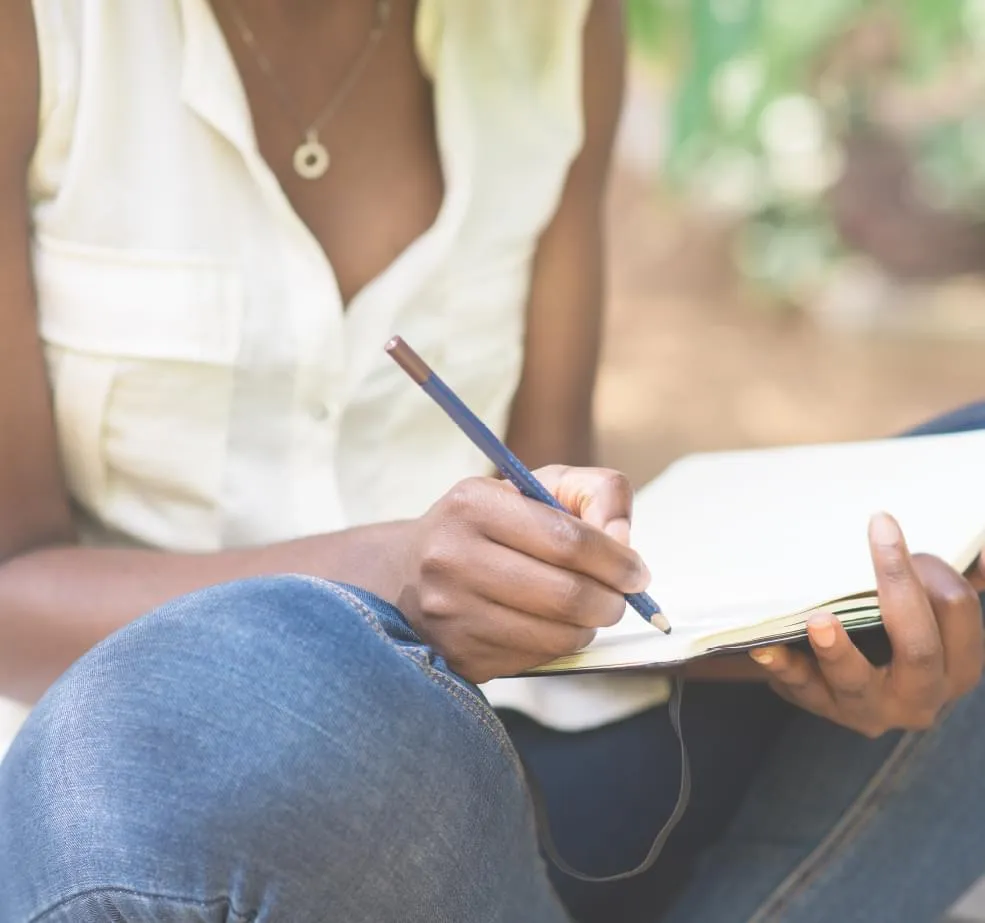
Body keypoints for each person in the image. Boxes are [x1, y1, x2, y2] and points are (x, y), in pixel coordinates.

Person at [0, 2, 983, 921]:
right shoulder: (41, 35)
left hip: (540, 768)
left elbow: (558, 527)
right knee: (303, 689)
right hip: (212, 796)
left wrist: (817, 640)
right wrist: (385, 579)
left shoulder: (553, 27)